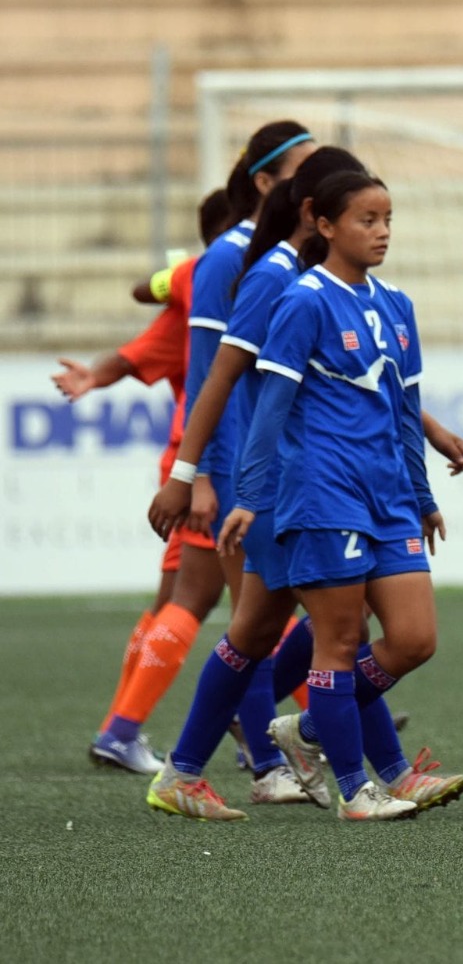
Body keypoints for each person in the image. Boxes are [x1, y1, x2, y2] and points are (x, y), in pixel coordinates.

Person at [147, 148, 463, 815]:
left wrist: (425, 462)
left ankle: (282, 750)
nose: (381, 229)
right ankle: (360, 774)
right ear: (317, 216)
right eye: (365, 216)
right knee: (308, 631)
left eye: (386, 216)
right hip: (285, 483)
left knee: (279, 630)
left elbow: (381, 386)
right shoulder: (276, 282)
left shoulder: (382, 299)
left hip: (355, 487)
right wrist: (200, 475)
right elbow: (224, 379)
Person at [54, 191, 232, 774]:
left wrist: (95, 375)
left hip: (190, 461)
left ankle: (119, 726)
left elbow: (137, 347)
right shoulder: (213, 277)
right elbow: (144, 317)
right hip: (206, 464)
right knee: (229, 599)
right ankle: (313, 717)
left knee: (180, 602)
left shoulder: (195, 294)